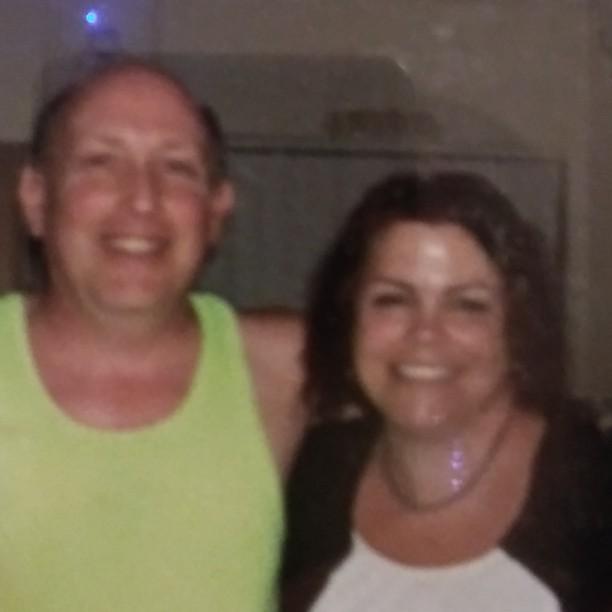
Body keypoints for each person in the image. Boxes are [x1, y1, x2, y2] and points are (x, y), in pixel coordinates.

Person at [0, 56, 305, 611]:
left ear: (217, 211)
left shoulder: (280, 371)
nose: (142, 198)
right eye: (100, 162)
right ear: (36, 199)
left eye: (177, 168)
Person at [282, 172, 612, 612]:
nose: (425, 334)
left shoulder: (592, 487)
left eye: (467, 305)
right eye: (393, 299)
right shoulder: (310, 476)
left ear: (519, 328)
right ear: (349, 317)